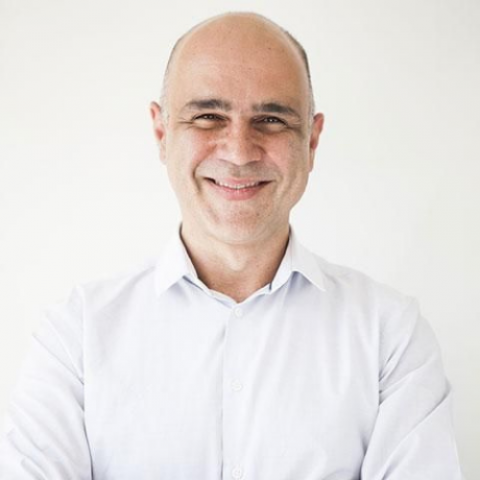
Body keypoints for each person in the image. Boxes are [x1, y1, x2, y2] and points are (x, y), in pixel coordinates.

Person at [0, 12, 463, 480]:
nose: (239, 151)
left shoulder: (390, 336)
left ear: (312, 141)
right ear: (162, 133)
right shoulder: (77, 336)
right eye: (208, 117)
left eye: (271, 119)